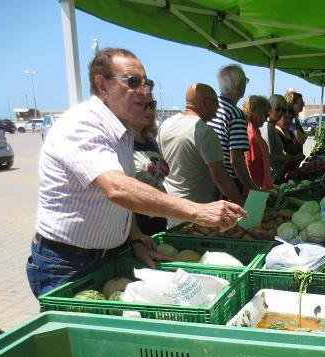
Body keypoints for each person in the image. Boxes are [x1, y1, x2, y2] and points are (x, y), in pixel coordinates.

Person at [27, 48, 246, 297]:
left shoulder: (123, 133)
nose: (144, 91)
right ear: (102, 85)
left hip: (109, 256)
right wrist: (198, 211)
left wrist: (135, 239)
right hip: (66, 264)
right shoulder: (82, 124)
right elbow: (118, 188)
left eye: (147, 83)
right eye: (133, 82)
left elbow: (123, 199)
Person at [159, 83, 244, 228]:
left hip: (172, 206)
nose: (218, 107)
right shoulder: (204, 132)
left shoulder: (165, 125)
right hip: (198, 211)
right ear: (204, 103)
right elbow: (219, 175)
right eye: (215, 102)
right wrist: (241, 204)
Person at [207, 64, 258, 195]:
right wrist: (254, 189)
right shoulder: (236, 115)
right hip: (227, 184)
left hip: (208, 179)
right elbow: (236, 161)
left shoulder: (210, 108)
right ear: (241, 86)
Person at [133, 97, 170, 235]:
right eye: (141, 104)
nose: (148, 110)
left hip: (158, 217)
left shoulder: (150, 140)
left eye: (151, 105)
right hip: (138, 223)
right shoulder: (124, 143)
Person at [261, 95, 303, 184]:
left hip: (273, 179)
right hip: (266, 181)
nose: (281, 113)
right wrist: (293, 158)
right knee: (258, 198)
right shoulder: (267, 127)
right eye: (277, 109)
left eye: (283, 110)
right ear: (269, 108)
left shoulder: (271, 127)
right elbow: (270, 157)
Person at [243, 95, 273, 190]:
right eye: (265, 114)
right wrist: (256, 189)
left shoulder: (255, 131)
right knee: (254, 205)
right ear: (256, 112)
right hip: (255, 187)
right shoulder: (250, 135)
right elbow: (249, 166)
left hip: (258, 184)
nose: (267, 119)